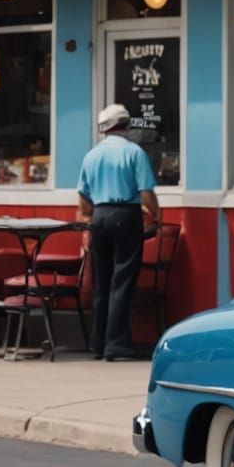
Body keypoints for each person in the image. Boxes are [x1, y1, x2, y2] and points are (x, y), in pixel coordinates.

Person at [76, 104, 161, 361]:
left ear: (104, 128)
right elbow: (146, 193)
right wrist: (155, 214)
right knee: (122, 279)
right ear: (126, 125)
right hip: (126, 215)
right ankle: (117, 342)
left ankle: (97, 342)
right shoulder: (134, 153)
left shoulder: (91, 156)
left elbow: (83, 199)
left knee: (101, 281)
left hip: (99, 216)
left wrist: (91, 219)